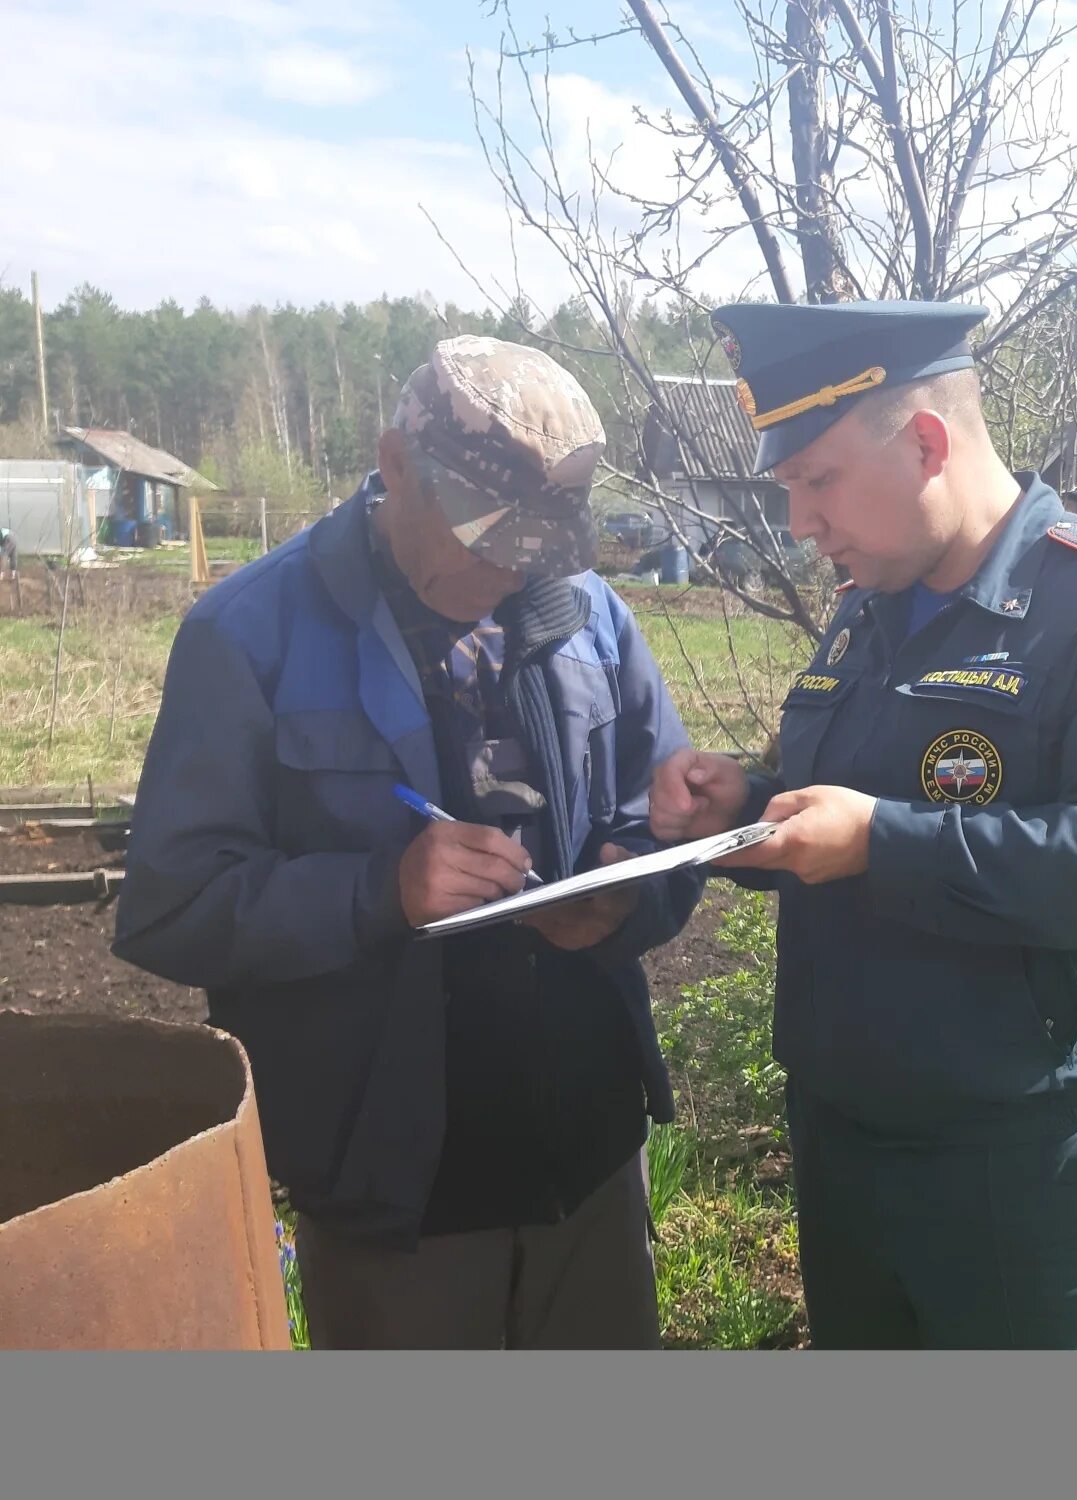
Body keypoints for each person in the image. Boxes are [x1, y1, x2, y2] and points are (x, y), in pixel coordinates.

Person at [649, 300, 1077, 1348]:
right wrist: (743, 810)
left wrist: (881, 840)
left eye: (817, 481)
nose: (799, 524)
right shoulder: (868, 604)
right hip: (846, 1160)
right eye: (788, 490)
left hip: (1031, 1185)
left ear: (926, 441)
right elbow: (843, 813)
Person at [115, 336, 703, 1349]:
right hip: (398, 1196)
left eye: (537, 539)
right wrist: (377, 893)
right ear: (394, 467)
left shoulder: (590, 615)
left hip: (589, 1160)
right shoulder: (247, 634)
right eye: (488, 535)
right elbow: (174, 906)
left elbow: (659, 819)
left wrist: (627, 891)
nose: (511, 565)